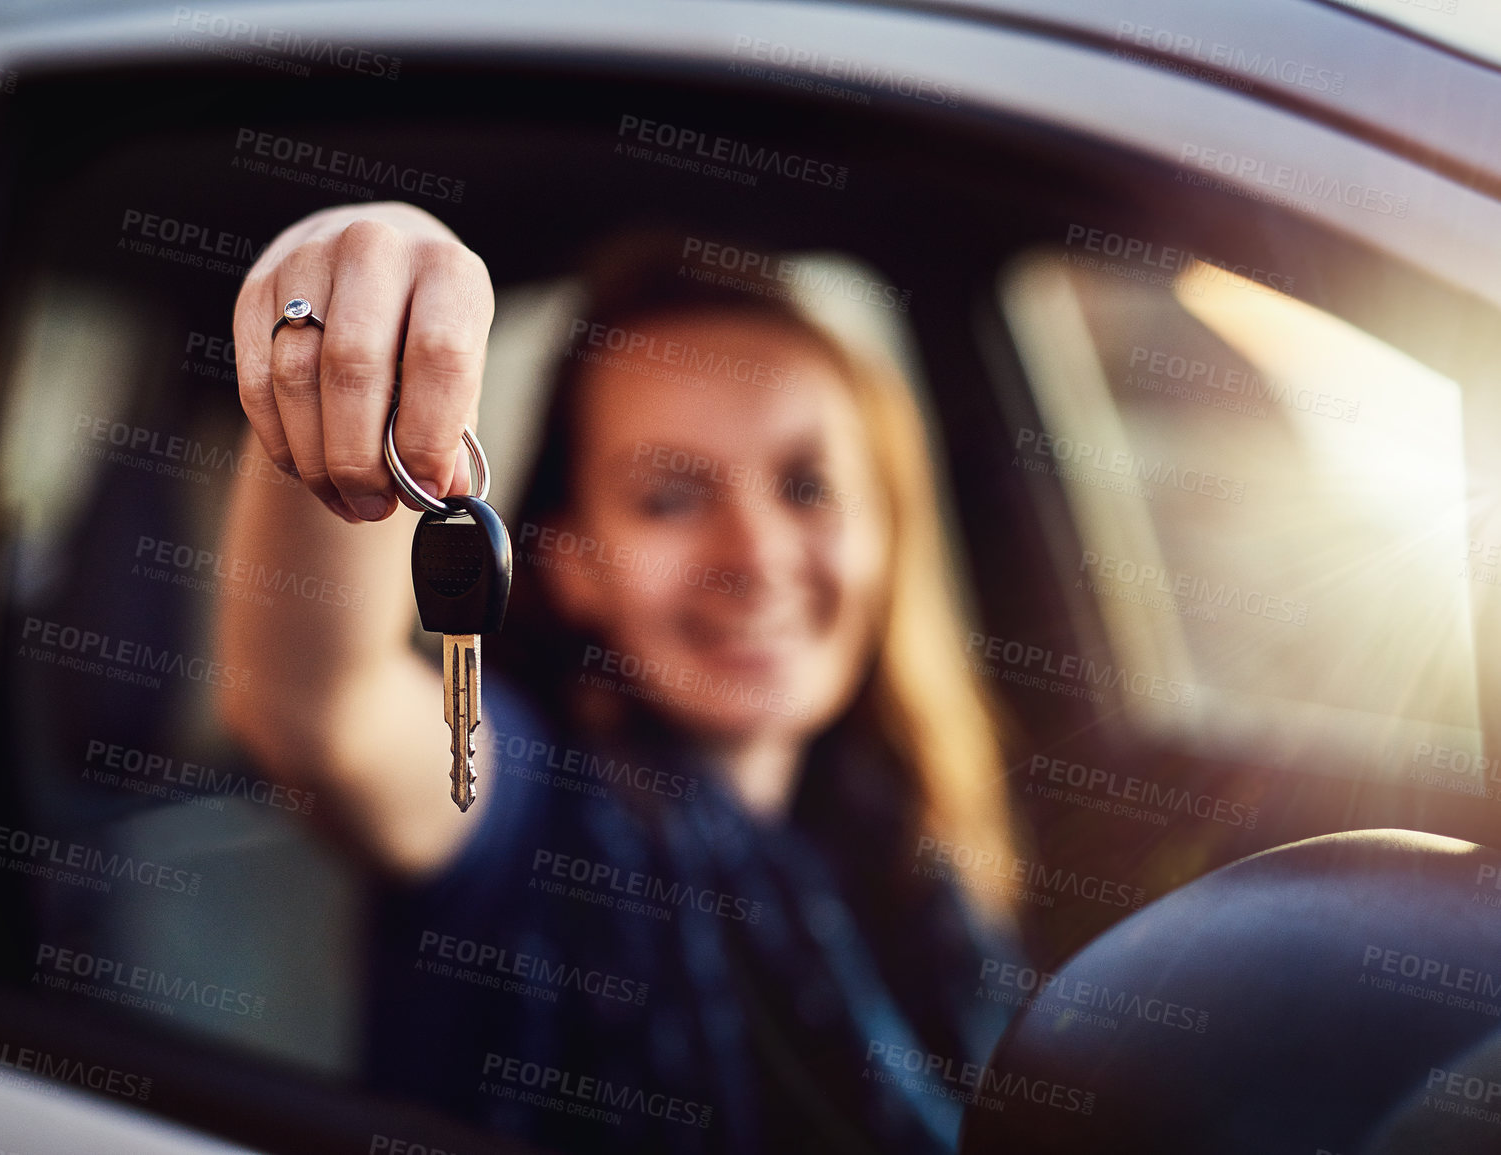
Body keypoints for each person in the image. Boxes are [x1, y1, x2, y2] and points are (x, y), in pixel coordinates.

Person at [214, 201, 1022, 1154]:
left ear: (887, 525)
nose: (754, 555)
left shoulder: (912, 832)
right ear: (568, 562)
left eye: (807, 485)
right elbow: (318, 712)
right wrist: (374, 262)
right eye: (670, 496)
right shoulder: (524, 796)